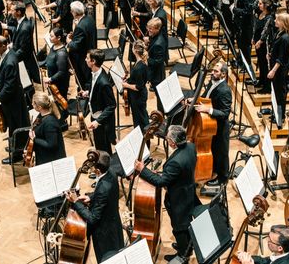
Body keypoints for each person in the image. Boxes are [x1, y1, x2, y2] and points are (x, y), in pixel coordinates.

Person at [134, 125, 198, 261]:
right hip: (188, 189)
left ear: (173, 143)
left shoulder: (175, 162)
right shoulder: (191, 147)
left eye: (168, 138)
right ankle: (185, 246)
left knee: (179, 227)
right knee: (185, 223)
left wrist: (143, 170)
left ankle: (183, 254)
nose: (167, 140)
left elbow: (161, 182)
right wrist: (165, 174)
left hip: (179, 198)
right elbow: (178, 173)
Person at [66, 151, 124, 262]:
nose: (91, 170)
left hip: (104, 234)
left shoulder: (103, 188)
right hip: (113, 222)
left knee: (106, 259)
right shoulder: (111, 172)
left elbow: (93, 218)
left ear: (97, 171)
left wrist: (75, 202)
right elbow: (107, 193)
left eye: (93, 169)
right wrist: (92, 197)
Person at [0, 36, 29, 163]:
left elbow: (10, 85)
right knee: (13, 125)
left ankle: (17, 154)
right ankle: (14, 146)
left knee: (15, 126)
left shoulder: (9, 62)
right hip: (12, 98)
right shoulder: (9, 54)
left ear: (4, 46)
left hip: (12, 101)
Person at [196, 61, 232, 186]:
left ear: (223, 74)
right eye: (213, 70)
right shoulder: (212, 82)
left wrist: (208, 110)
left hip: (221, 127)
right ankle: (214, 171)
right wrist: (195, 100)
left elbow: (225, 113)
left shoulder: (225, 90)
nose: (212, 72)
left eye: (216, 71)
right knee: (214, 150)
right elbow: (206, 97)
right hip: (212, 124)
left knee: (221, 153)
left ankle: (223, 178)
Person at [80, 49, 117, 154]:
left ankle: (106, 169)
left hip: (102, 122)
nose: (85, 59)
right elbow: (96, 87)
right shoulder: (97, 72)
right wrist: (88, 92)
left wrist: (98, 121)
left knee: (103, 149)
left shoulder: (104, 83)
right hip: (95, 115)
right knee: (99, 146)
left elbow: (111, 105)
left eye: (87, 58)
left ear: (93, 61)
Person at [2, 2, 40, 84]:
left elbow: (23, 49)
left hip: (24, 59)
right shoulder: (21, 22)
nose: (10, 12)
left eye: (12, 10)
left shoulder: (24, 28)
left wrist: (12, 58)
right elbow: (19, 38)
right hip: (18, 50)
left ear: (18, 12)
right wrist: (12, 44)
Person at [267, 13, 289, 124]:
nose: (275, 21)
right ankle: (275, 113)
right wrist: (270, 55)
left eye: (278, 20)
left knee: (280, 93)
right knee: (276, 91)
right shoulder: (279, 33)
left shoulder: (285, 38)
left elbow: (281, 58)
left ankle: (280, 117)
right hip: (276, 67)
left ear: (283, 23)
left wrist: (273, 70)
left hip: (280, 70)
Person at [30, 93, 66, 165]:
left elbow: (51, 144)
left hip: (51, 160)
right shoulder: (41, 115)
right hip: (44, 156)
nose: (32, 104)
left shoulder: (50, 123)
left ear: (40, 107)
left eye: (33, 103)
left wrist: (34, 139)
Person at [67, 1, 97, 89]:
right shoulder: (89, 18)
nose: (71, 13)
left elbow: (75, 46)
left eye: (72, 11)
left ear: (75, 13)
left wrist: (69, 41)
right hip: (90, 50)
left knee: (83, 82)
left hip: (82, 59)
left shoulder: (80, 26)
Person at [232, 0, 257, 68]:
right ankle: (240, 61)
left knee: (245, 46)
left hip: (245, 25)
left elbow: (247, 12)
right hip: (239, 23)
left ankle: (246, 65)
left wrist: (234, 10)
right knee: (240, 44)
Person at [123, 40, 149, 132]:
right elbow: (138, 79)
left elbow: (138, 87)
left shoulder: (139, 67)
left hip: (138, 97)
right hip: (138, 96)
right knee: (139, 117)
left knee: (140, 119)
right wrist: (129, 79)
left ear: (135, 51)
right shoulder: (140, 62)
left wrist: (126, 84)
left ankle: (144, 139)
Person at [44, 27, 71, 109]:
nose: (50, 38)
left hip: (60, 84)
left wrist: (50, 79)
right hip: (53, 81)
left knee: (60, 105)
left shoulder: (61, 54)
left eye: (52, 36)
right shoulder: (54, 46)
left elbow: (61, 72)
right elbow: (49, 59)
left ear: (58, 38)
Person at [145, 18, 168, 110]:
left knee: (160, 96)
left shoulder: (159, 43)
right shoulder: (155, 36)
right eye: (148, 27)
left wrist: (147, 59)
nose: (148, 30)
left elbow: (158, 61)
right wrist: (148, 43)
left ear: (157, 29)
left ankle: (160, 115)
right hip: (155, 72)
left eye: (151, 28)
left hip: (157, 74)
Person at [253, 0, 274, 92]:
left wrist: (260, 41)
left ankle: (266, 86)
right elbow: (256, 27)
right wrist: (253, 38)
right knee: (260, 62)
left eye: (261, 3)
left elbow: (266, 31)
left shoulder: (269, 17)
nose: (258, 5)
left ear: (266, 5)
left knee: (265, 64)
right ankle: (261, 80)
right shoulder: (261, 13)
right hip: (258, 42)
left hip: (264, 44)